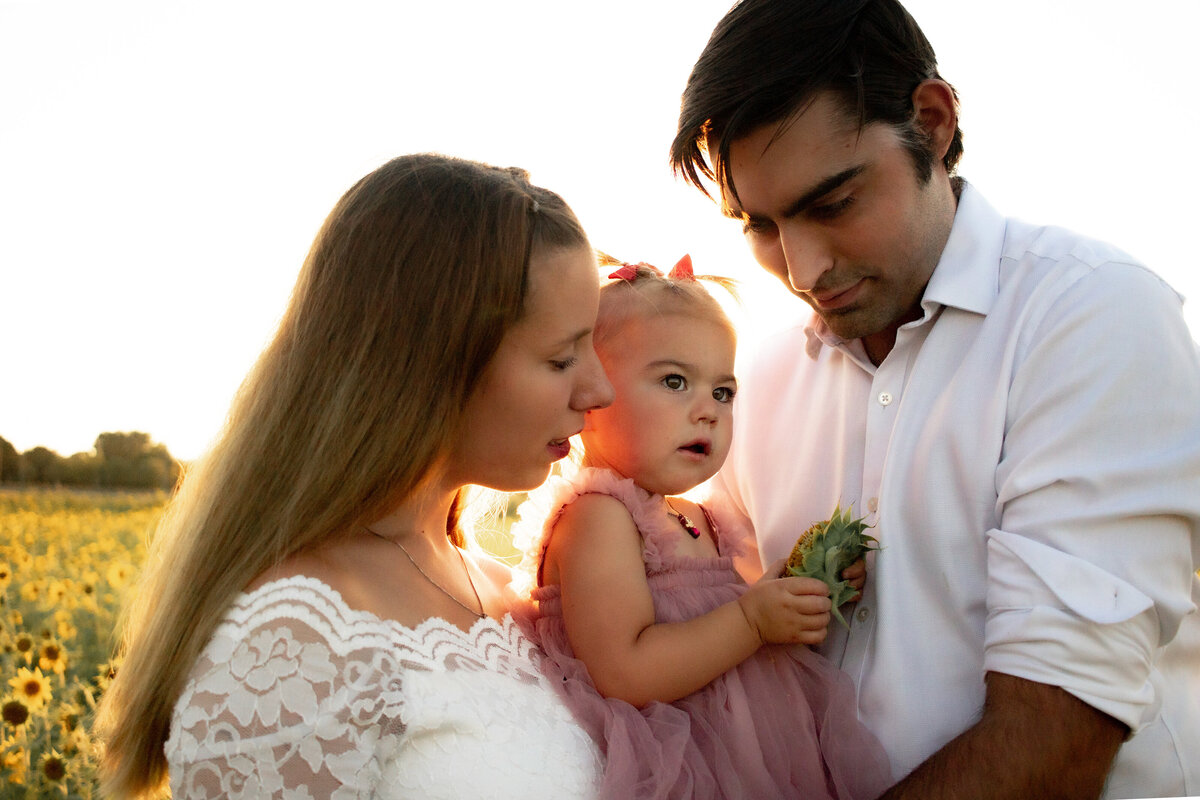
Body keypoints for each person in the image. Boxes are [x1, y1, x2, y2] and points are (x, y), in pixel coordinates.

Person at [669, 1, 1200, 798]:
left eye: (833, 202)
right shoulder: (759, 383)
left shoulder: (1093, 314)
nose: (804, 267)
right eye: (761, 225)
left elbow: (1059, 739)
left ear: (932, 121)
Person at [93, 153, 617, 799]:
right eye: (562, 358)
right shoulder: (291, 643)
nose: (599, 388)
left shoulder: (498, 584)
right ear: (428, 361)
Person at [509, 256, 891, 799]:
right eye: (674, 381)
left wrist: (788, 592)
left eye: (723, 392)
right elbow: (624, 671)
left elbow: (709, 619)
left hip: (748, 756)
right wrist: (753, 621)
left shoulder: (695, 516)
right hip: (678, 765)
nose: (708, 411)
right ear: (590, 395)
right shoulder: (599, 516)